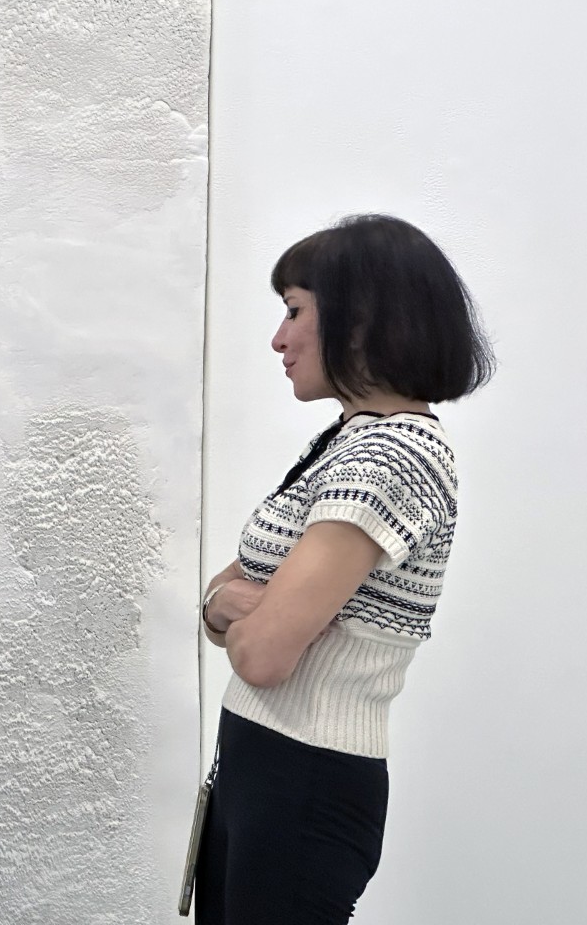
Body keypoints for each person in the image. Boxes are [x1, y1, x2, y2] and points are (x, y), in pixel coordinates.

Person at [196, 214, 494, 924]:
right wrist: (230, 607)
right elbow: (221, 596)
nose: (279, 338)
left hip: (304, 776)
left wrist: (242, 612)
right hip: (264, 760)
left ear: (359, 322)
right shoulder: (347, 441)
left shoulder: (391, 456)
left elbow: (264, 656)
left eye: (295, 311)